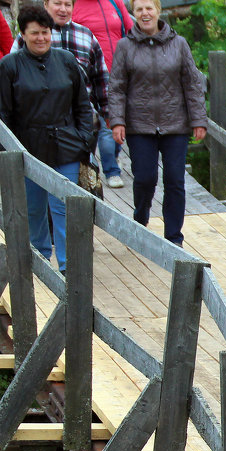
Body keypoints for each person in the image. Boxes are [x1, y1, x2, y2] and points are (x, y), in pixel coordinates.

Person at [0, 4, 93, 269]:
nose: (41, 38)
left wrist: (84, 138)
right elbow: (3, 114)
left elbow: (83, 105)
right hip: (27, 149)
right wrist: (11, 151)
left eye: (45, 32)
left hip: (66, 146)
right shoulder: (10, 66)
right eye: (34, 33)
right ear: (23, 34)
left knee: (64, 205)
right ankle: (39, 260)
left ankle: (67, 265)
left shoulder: (65, 60)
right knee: (34, 209)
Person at [107, 0, 205, 246]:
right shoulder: (125, 46)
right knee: (144, 178)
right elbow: (117, 87)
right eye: (139, 9)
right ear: (133, 13)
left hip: (176, 124)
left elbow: (192, 84)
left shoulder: (179, 44)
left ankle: (174, 237)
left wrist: (198, 119)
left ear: (158, 11)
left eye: (149, 8)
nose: (145, 13)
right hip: (140, 125)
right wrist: (117, 121)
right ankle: (140, 218)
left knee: (174, 179)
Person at [10, 0, 109, 171]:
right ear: (46, 4)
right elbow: (13, 76)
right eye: (57, 3)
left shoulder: (86, 35)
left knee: (79, 182)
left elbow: (100, 77)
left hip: (81, 124)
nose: (63, 9)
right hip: (40, 128)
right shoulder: (30, 36)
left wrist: (108, 114)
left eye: (67, 4)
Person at [70, 0, 130, 187]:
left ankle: (113, 156)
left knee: (119, 119)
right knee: (105, 124)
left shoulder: (114, 2)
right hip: (92, 75)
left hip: (119, 72)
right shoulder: (76, 6)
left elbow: (129, 29)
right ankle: (111, 171)